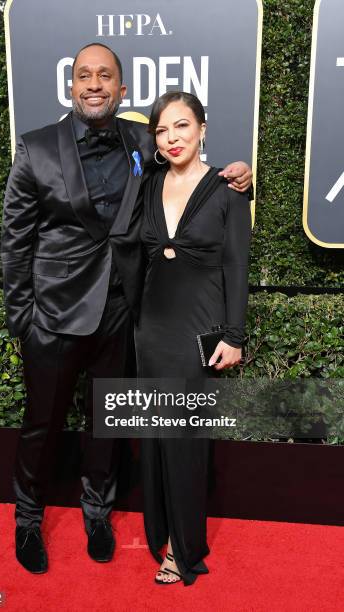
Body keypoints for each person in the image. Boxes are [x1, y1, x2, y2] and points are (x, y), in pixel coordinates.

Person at [0, 42, 253, 574]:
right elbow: (15, 242)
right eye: (84, 76)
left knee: (106, 425)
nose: (94, 84)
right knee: (41, 425)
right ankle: (27, 520)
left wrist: (238, 174)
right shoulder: (36, 148)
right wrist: (23, 320)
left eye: (105, 76)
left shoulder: (144, 138)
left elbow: (190, 161)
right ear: (70, 86)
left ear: (122, 89)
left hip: (119, 315)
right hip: (53, 315)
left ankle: (97, 514)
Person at [135, 91, 252, 585]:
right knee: (154, 436)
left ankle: (185, 549)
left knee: (183, 438)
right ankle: (161, 530)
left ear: (202, 128)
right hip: (149, 328)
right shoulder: (147, 185)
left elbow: (236, 265)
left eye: (182, 126)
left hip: (196, 331)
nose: (173, 138)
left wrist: (234, 333)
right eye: (162, 130)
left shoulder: (227, 188)